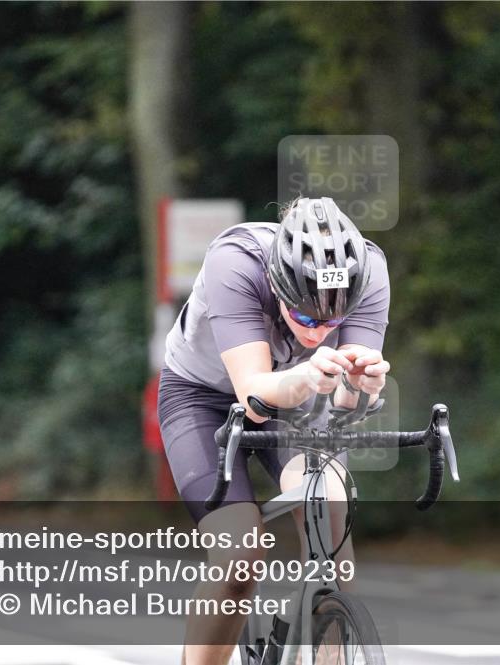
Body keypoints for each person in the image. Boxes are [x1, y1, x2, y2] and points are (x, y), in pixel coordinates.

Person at [157, 197, 391, 665]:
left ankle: (328, 646)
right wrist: (307, 376)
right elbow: (255, 398)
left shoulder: (369, 272)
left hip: (302, 396)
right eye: (305, 317)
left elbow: (348, 402)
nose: (317, 332)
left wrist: (362, 386)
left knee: (329, 508)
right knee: (240, 553)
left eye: (333, 322)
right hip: (202, 395)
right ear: (280, 288)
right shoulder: (236, 263)